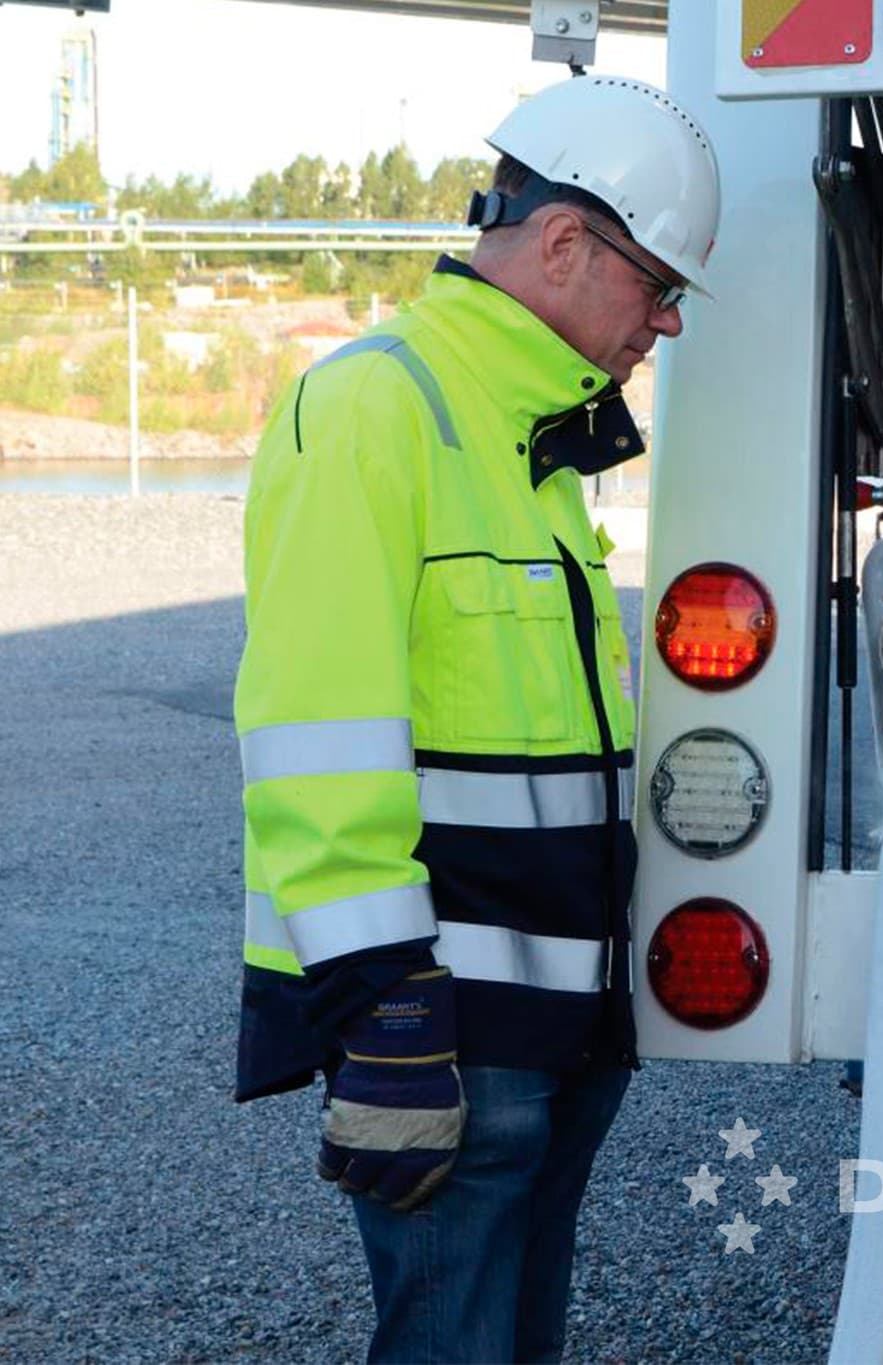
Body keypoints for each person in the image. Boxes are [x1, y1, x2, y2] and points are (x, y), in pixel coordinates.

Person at [231, 74, 718, 1363]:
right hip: (444, 1026)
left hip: (553, 1019)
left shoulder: (530, 444)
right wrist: (384, 1006)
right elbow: (313, 734)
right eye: (657, 285)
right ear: (565, 244)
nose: (663, 324)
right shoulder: (376, 410)